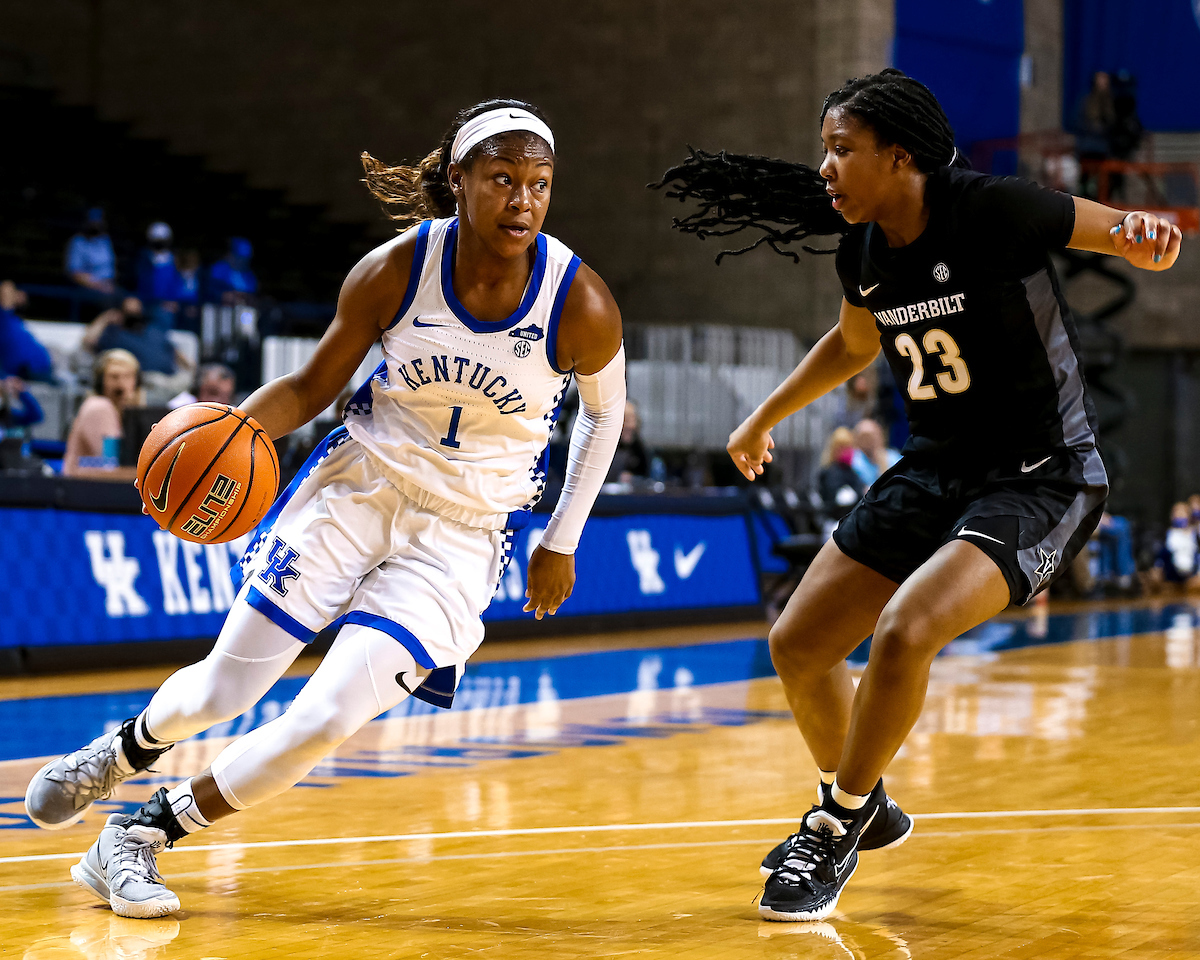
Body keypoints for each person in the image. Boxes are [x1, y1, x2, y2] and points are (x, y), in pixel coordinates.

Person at [26, 99, 625, 920]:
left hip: (461, 532)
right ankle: (121, 750)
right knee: (220, 694)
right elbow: (310, 389)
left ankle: (137, 838)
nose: (523, 201)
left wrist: (562, 537)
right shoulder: (394, 270)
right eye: (502, 180)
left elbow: (604, 414)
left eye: (540, 184)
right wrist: (229, 433)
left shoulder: (578, 299)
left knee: (326, 717)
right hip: (358, 487)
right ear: (459, 181)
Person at [656, 66, 1182, 922]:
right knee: (799, 643)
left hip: (1042, 472)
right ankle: (868, 803)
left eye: (840, 150)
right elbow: (852, 343)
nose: (823, 168)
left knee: (905, 630)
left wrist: (1143, 234)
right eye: (823, 151)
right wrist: (760, 418)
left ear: (899, 157)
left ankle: (832, 829)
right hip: (935, 467)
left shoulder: (993, 209)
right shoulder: (861, 249)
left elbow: (1112, 228)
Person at [82, 296, 194, 404]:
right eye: (129, 311)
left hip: (171, 380)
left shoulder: (154, 330)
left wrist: (191, 366)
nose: (134, 313)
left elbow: (174, 351)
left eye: (137, 309)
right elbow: (88, 342)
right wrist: (105, 318)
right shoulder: (114, 333)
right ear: (121, 313)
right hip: (146, 381)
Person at [63, 349, 142, 480]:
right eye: (114, 377)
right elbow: (110, 463)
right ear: (100, 382)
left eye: (128, 376)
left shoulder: (124, 410)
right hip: (81, 489)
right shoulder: (99, 407)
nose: (121, 384)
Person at [816, 427, 866, 540]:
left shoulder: (852, 472)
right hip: (834, 523)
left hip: (853, 522)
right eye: (842, 447)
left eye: (849, 446)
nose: (846, 450)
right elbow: (839, 500)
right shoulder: (830, 473)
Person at [0, 280, 53, 382]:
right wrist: (14, 296)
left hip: (40, 372)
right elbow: (7, 287)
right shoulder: (3, 318)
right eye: (15, 292)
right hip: (24, 374)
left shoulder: (14, 320)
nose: (22, 294)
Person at [135, 222, 181, 329]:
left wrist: (174, 301)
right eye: (157, 240)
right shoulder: (143, 258)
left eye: (162, 240)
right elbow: (140, 284)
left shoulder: (173, 261)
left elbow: (176, 284)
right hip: (147, 304)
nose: (159, 244)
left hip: (166, 307)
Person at [65, 208, 117, 295]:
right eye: (93, 222)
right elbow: (75, 274)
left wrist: (109, 285)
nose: (96, 225)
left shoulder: (105, 241)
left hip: (109, 288)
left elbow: (110, 270)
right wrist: (99, 286)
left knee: (132, 302)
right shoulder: (78, 242)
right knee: (111, 303)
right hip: (88, 289)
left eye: (98, 222)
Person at [605, 399, 650, 482]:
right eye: (627, 420)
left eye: (633, 420)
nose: (631, 426)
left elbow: (646, 475)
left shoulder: (639, 448)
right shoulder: (606, 447)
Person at [849, 417, 899, 487]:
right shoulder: (852, 460)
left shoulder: (894, 458)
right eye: (865, 436)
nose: (869, 440)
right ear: (857, 439)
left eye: (873, 435)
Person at [207, 237, 258, 304]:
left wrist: (246, 296)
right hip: (221, 308)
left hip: (243, 310)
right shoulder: (217, 269)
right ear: (230, 254)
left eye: (245, 259)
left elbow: (252, 293)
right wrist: (223, 295)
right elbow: (209, 291)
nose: (241, 262)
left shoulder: (249, 274)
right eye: (239, 258)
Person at [168, 362, 237, 409]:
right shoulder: (181, 408)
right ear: (197, 390)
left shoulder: (235, 413)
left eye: (227, 396)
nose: (219, 402)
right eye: (213, 393)